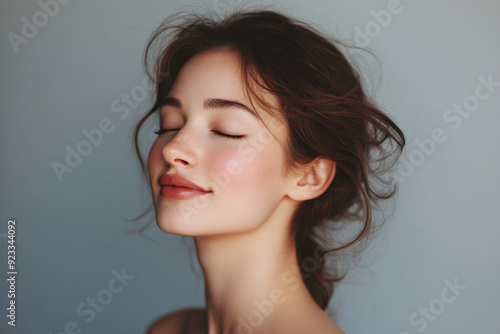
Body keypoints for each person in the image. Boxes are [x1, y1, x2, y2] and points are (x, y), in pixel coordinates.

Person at [132, 8, 405, 334]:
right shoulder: (169, 330)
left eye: (227, 131)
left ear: (310, 176)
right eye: (169, 125)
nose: (174, 149)